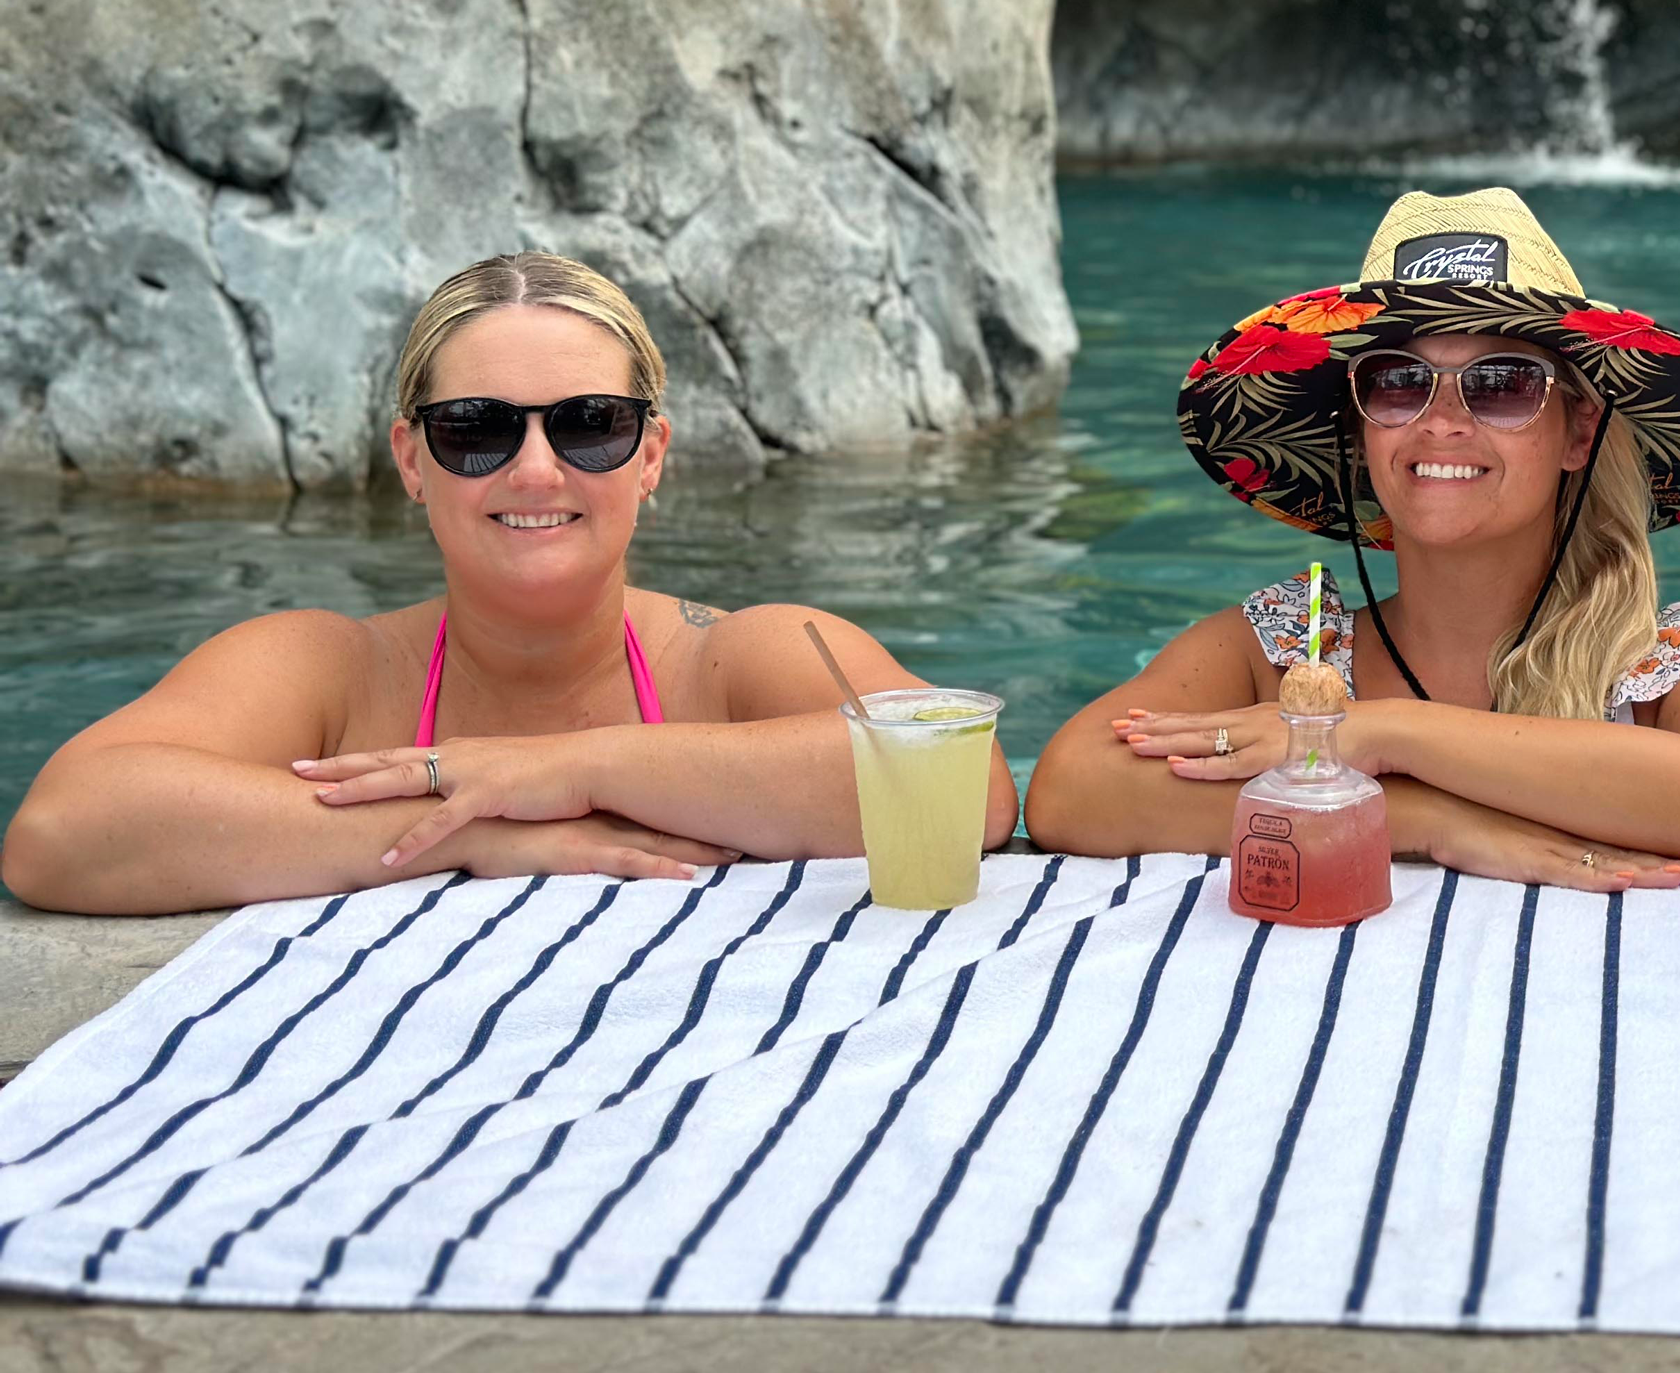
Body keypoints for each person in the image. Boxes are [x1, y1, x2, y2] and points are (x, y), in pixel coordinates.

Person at [1, 252, 1016, 914]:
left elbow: (968, 791)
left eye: (589, 424)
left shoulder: (740, 656)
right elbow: (63, 832)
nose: (537, 471)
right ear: (411, 458)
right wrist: (479, 831)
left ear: (652, 454)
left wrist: (564, 772)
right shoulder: (326, 670)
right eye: (478, 429)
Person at [1024, 188, 1680, 886]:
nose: (1441, 421)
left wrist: (1384, 731)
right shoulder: (1283, 650)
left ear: (1580, 433)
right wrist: (1426, 820)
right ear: (1357, 429)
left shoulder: (1667, 666)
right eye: (1398, 381)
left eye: (1502, 384)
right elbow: (1069, 790)